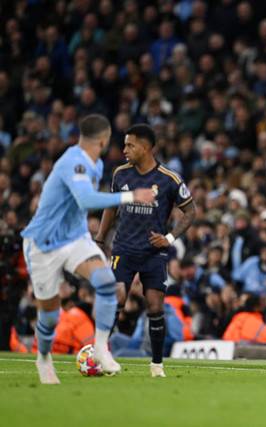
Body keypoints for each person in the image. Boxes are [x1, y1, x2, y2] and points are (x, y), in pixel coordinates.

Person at [21, 114, 156, 384]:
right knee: (49, 316)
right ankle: (44, 358)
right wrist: (131, 196)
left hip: (74, 238)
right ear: (104, 140)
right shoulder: (74, 162)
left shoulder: (97, 163)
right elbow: (85, 200)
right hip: (43, 243)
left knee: (107, 284)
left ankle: (101, 348)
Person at [96, 124, 195, 378]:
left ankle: (157, 365)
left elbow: (190, 211)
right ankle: (101, 354)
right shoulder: (120, 174)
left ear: (146, 147)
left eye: (130, 145)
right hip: (124, 249)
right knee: (116, 299)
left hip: (153, 253)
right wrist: (100, 238)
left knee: (155, 307)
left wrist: (170, 238)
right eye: (125, 145)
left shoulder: (169, 179)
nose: (125, 150)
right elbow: (111, 206)